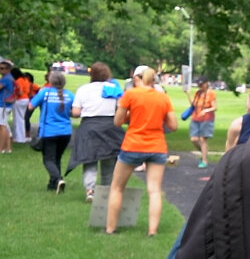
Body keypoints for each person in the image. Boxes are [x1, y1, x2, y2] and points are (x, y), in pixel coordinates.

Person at [106, 66, 177, 235]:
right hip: (157, 146)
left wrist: (130, 115)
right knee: (154, 190)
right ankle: (152, 231)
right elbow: (173, 126)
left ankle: (110, 229)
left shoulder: (130, 94)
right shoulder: (163, 98)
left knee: (117, 187)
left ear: (137, 78)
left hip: (133, 144)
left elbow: (117, 121)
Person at [67, 62, 127, 201]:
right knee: (109, 160)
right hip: (109, 126)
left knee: (89, 159)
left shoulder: (83, 89)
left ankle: (90, 190)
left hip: (89, 127)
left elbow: (76, 112)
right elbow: (121, 109)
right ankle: (106, 191)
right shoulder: (113, 88)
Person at [29, 70, 75, 192]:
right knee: (57, 158)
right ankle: (53, 185)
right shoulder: (70, 95)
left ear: (50, 81)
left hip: (49, 131)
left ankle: (58, 178)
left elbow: (30, 106)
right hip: (66, 132)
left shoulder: (45, 92)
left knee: (48, 159)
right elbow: (75, 113)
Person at [186, 77, 217, 167]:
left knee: (203, 139)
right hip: (195, 118)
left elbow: (215, 107)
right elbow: (194, 104)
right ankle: (204, 153)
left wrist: (206, 111)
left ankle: (204, 160)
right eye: (199, 84)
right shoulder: (197, 93)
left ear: (206, 83)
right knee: (194, 139)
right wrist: (188, 94)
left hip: (207, 119)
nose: (200, 86)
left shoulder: (211, 93)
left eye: (201, 84)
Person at [10, 66, 35, 144]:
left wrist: (13, 97)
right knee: (21, 119)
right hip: (25, 99)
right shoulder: (25, 79)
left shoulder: (18, 81)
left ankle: (19, 137)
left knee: (18, 119)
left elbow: (19, 91)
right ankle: (20, 137)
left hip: (19, 100)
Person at [0, 59, 13, 153]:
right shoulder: (10, 77)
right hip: (7, 105)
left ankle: (1, 148)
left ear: (8, 69)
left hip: (3, 105)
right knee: (5, 126)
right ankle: (7, 148)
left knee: (2, 126)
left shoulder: (5, 79)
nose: (0, 70)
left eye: (2, 68)